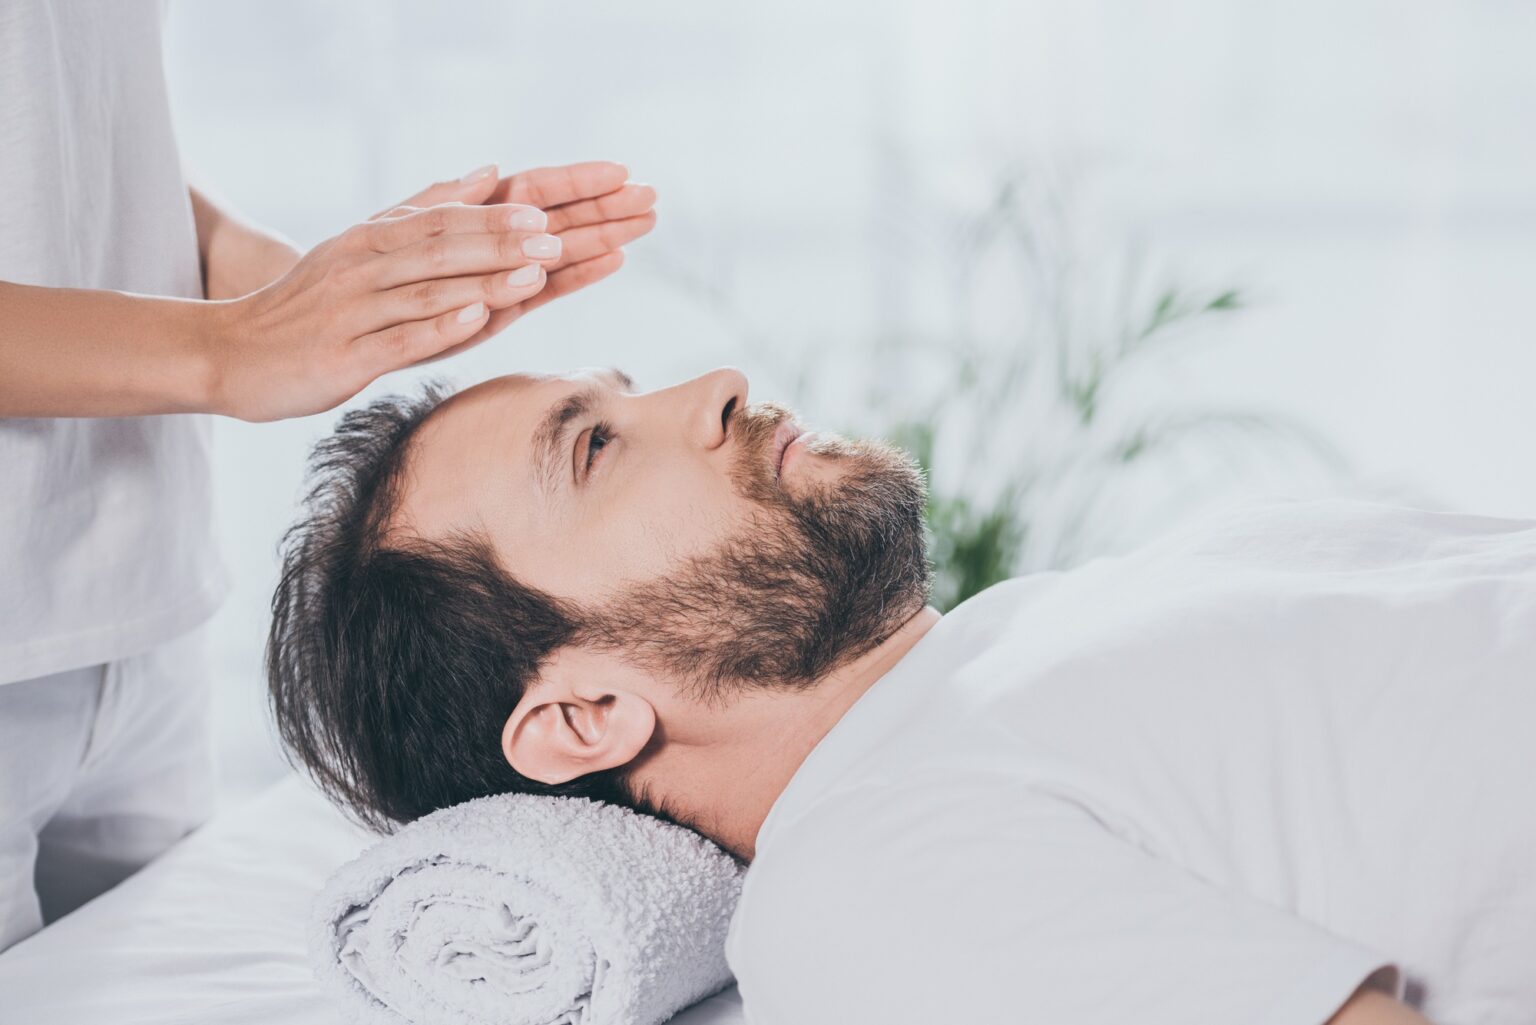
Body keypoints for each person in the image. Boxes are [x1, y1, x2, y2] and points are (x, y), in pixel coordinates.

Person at [265, 365, 1536, 1025]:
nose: (712, 384)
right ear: (584, 717)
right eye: (595, 446)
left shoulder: (1033, 638)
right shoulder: (864, 888)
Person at [0, 0, 655, 953]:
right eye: (592, 447)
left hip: (143, 603)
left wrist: (330, 296)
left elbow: (76, 130)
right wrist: (232, 348)